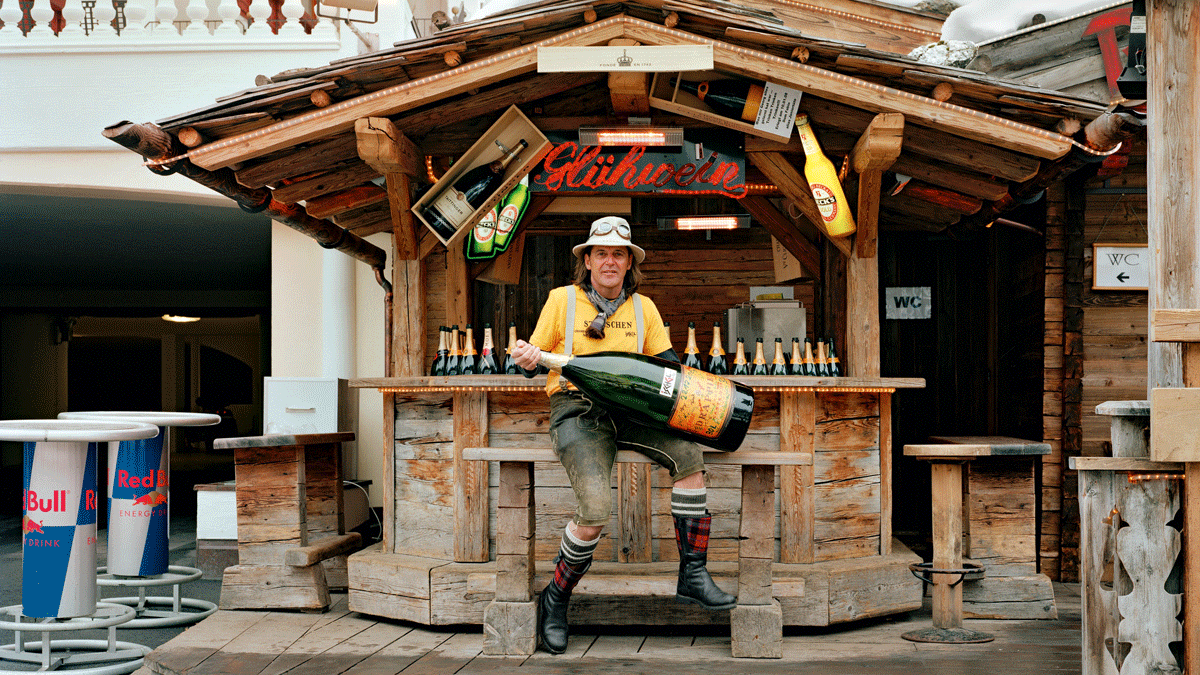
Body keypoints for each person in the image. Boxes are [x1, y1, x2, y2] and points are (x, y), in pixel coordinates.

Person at [511, 216, 736, 655]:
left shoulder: (643, 308)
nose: (610, 261)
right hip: (577, 408)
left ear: (629, 263)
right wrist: (526, 355)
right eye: (602, 253)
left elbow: (668, 367)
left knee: (690, 457)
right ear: (588, 261)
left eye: (619, 254)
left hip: (632, 409)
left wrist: (704, 398)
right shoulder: (563, 300)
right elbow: (533, 356)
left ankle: (692, 574)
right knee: (594, 509)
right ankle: (556, 597)